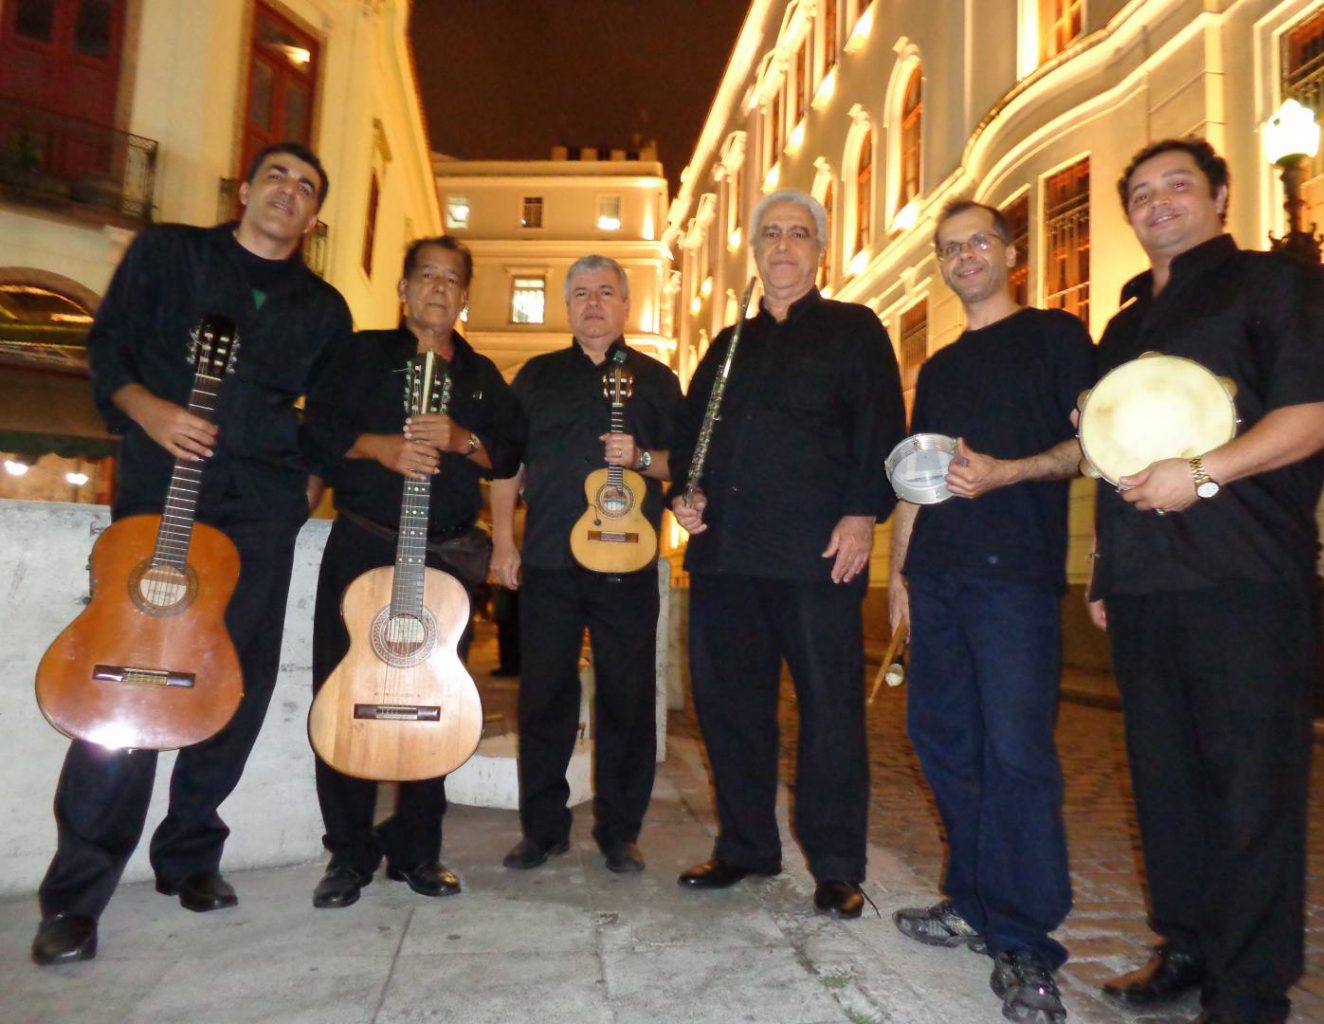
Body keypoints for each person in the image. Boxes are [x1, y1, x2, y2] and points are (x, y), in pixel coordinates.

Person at [31, 143, 353, 965]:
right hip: (158, 501)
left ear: (315, 217)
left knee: (231, 687)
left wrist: (301, 496)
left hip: (260, 516)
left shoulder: (323, 308)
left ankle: (189, 854)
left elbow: (333, 421)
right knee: (120, 685)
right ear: (243, 189)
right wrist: (147, 410)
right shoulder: (168, 255)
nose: (289, 193)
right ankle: (75, 895)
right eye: (276, 177)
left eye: (306, 188)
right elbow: (108, 349)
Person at [1090, 138, 1324, 1024]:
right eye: (1139, 193)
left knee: (1251, 787)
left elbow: (1323, 408)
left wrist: (1202, 472)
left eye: (1177, 186)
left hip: (1242, 577)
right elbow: (1112, 456)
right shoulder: (1122, 327)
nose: (1157, 203)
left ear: (1218, 197)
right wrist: (1102, 567)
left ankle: (1248, 992)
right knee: (1164, 785)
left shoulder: (1272, 283)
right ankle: (1188, 949)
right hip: (1141, 586)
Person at [670, 189, 905, 919]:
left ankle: (836, 865)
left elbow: (880, 429)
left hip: (815, 555)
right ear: (754, 249)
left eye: (797, 234)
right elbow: (689, 445)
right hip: (724, 557)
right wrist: (685, 494)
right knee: (730, 709)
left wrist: (864, 512)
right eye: (769, 233)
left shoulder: (853, 329)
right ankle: (745, 847)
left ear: (819, 250)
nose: (782, 245)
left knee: (830, 712)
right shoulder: (725, 345)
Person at [886, 200, 1092, 1021]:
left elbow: (1091, 445)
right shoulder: (937, 368)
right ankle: (972, 904)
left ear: (1009, 251)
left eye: (978, 241)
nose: (964, 256)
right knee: (945, 746)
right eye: (950, 248)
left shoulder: (1056, 337)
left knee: (1015, 757)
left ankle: (1027, 942)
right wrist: (900, 575)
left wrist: (1009, 472)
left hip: (1013, 582)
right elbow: (914, 476)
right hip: (935, 578)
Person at [304, 236, 524, 908]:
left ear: (464, 297)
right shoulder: (359, 355)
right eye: (425, 276)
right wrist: (380, 448)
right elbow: (313, 435)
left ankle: (417, 850)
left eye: (451, 279)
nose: (437, 288)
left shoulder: (483, 377)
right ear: (402, 290)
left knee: (434, 701)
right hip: (365, 546)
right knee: (346, 697)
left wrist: (465, 441)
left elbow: (511, 454)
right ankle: (346, 854)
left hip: (444, 559)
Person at [491, 255, 681, 874]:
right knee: (543, 695)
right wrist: (502, 542)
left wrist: (645, 456)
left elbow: (683, 467)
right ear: (567, 307)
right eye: (581, 294)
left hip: (628, 562)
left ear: (626, 305)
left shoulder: (656, 379)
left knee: (628, 696)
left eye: (606, 292)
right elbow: (507, 467)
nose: (593, 303)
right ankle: (542, 830)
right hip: (547, 559)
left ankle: (619, 832)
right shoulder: (536, 377)